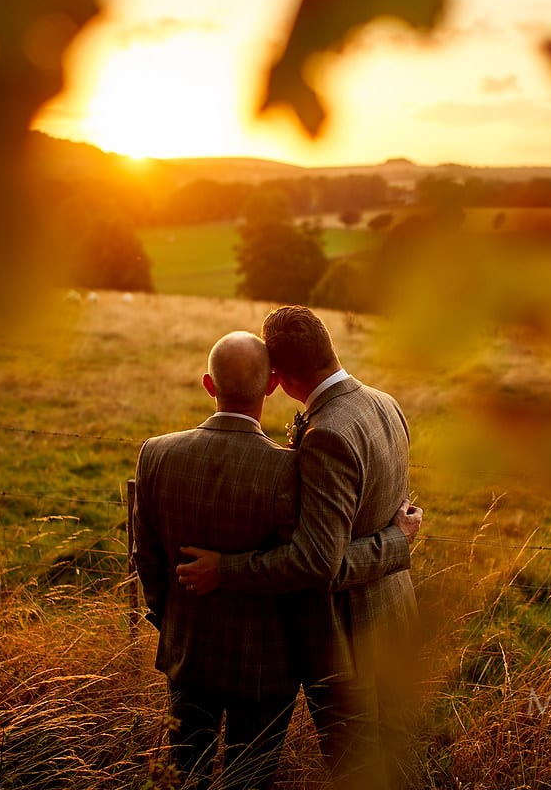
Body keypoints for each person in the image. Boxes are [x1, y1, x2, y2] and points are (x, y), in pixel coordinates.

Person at [132, 331, 418, 790]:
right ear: (270, 386)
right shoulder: (287, 469)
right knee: (249, 777)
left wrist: (169, 620)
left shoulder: (156, 453)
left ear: (209, 385)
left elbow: (145, 557)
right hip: (264, 664)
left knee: (185, 771)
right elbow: (307, 562)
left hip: (186, 651)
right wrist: (396, 541)